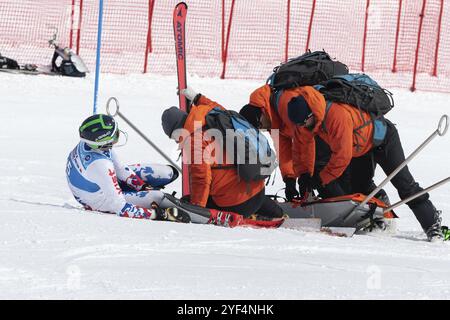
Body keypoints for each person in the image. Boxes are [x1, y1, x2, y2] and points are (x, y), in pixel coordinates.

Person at [242, 84, 443, 241]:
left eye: (305, 122)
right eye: (300, 124)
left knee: (404, 184)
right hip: (360, 148)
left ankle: (432, 225)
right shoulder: (305, 122)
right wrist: (301, 175)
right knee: (360, 187)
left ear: (312, 114)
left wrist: (321, 180)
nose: (303, 126)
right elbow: (301, 148)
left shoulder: (336, 115)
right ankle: (380, 217)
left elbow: (342, 156)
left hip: (382, 139)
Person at [160, 87, 284, 220]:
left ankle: (246, 211)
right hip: (258, 190)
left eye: (174, 138)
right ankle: (275, 212)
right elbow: (213, 105)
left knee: (187, 200)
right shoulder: (213, 115)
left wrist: (196, 210)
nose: (177, 141)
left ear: (176, 131)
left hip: (237, 204)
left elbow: (201, 178)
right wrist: (197, 98)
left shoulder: (194, 140)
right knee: (232, 179)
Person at [66, 113, 188, 222]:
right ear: (103, 142)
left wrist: (142, 186)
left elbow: (119, 168)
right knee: (159, 197)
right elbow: (120, 206)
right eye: (115, 135)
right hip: (102, 200)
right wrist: (158, 214)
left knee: (167, 173)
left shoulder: (91, 143)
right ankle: (152, 200)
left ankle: (142, 193)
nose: (118, 136)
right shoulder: (100, 164)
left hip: (98, 182)